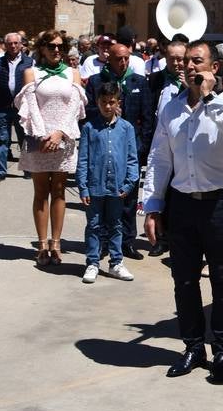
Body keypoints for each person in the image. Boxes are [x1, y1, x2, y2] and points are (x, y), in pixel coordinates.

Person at [141, 41, 223, 382]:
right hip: (183, 203)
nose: (188, 67)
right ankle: (192, 346)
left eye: (196, 61)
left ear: (214, 67)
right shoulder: (171, 108)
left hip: (222, 203)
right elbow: (160, 158)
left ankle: (222, 349)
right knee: (184, 280)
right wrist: (153, 205)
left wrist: (209, 98)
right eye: (185, 61)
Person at [15, 30, 87, 267]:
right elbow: (30, 105)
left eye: (60, 46)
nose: (57, 50)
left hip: (63, 139)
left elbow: (75, 106)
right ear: (42, 49)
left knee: (59, 191)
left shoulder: (72, 73)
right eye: (52, 46)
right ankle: (42, 244)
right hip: (39, 139)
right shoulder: (31, 72)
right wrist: (43, 135)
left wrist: (59, 133)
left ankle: (56, 243)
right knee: (39, 192)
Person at [86, 42, 154, 261]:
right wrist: (107, 110)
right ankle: (104, 242)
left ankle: (127, 241)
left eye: (126, 58)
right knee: (104, 198)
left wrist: (142, 145)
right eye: (118, 59)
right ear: (109, 59)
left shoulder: (139, 82)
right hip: (104, 148)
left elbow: (147, 116)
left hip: (129, 147)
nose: (123, 62)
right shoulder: (97, 82)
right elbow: (87, 112)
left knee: (129, 197)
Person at [76, 79, 139, 283]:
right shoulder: (89, 128)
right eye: (104, 102)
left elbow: (132, 158)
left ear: (117, 102)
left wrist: (129, 183)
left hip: (118, 187)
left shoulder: (126, 128)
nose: (107, 106)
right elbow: (83, 158)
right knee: (93, 225)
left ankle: (116, 262)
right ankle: (93, 262)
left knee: (116, 225)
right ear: (98, 101)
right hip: (95, 186)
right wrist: (83, 187)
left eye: (112, 102)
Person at [143, 38, 189, 258]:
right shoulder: (155, 80)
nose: (178, 64)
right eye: (173, 60)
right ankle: (160, 240)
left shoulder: (194, 81)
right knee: (159, 190)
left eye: (181, 59)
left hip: (185, 147)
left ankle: (176, 237)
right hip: (161, 143)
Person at [0, 33, 34, 182]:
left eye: (16, 43)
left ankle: (28, 169)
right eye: (10, 43)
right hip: (3, 107)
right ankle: (1, 170)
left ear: (21, 44)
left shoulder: (29, 62)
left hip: (22, 108)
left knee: (24, 139)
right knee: (2, 140)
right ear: (5, 45)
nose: (13, 46)